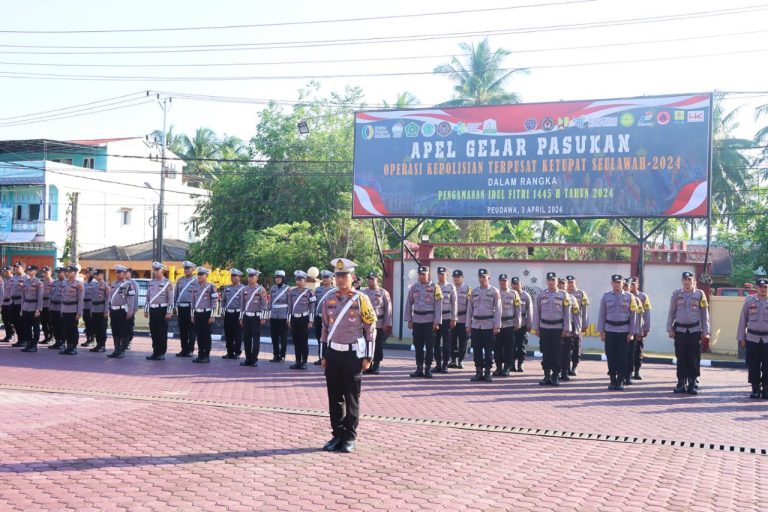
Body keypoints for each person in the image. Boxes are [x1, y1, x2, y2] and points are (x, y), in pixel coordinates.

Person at [319, 257, 376, 454]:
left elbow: (370, 330)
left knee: (351, 397)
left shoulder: (362, 299)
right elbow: (325, 329)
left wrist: (368, 357)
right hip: (333, 354)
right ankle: (338, 434)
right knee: (334, 397)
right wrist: (323, 355)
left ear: (352, 277)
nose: (340, 279)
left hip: (353, 356)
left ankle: (350, 436)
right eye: (337, 275)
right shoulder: (329, 299)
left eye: (344, 275)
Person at [666, 271, 710, 395]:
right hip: (680, 331)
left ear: (694, 281)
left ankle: (692, 383)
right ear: (682, 281)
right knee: (681, 357)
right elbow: (671, 312)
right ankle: (681, 383)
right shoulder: (676, 294)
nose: (687, 282)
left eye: (689, 280)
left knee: (693, 357)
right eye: (685, 280)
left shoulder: (700, 294)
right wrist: (670, 328)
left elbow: (704, 314)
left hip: (695, 331)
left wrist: (706, 331)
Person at [597, 274, 638, 390]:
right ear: (611, 284)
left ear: (622, 284)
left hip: (624, 331)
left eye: (619, 282)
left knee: (622, 356)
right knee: (611, 355)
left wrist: (632, 332)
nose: (617, 284)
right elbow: (602, 315)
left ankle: (620, 380)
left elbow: (633, 316)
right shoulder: (606, 297)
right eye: (615, 282)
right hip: (610, 330)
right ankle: (612, 380)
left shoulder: (630, 297)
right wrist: (601, 332)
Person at [532, 272, 571, 386]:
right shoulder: (541, 295)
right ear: (546, 281)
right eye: (549, 280)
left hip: (557, 329)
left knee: (557, 353)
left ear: (556, 281)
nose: (551, 282)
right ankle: (546, 375)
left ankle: (555, 376)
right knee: (546, 352)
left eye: (553, 280)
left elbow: (567, 313)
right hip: (544, 328)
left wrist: (566, 328)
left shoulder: (563, 295)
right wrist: (536, 328)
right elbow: (537, 312)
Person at [404, 266, 442, 378]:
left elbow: (439, 306)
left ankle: (428, 369)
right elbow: (409, 303)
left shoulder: (435, 287)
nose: (421, 276)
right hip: (417, 321)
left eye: (423, 274)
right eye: (420, 274)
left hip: (429, 321)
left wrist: (436, 322)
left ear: (428, 275)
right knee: (418, 345)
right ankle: (419, 368)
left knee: (429, 346)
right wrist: (409, 319)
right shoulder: (414, 287)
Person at [466, 268, 502, 382]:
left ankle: (487, 372)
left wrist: (497, 326)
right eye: (480, 277)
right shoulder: (474, 291)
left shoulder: (494, 291)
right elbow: (469, 309)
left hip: (488, 325)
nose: (482, 279)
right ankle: (478, 372)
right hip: (476, 325)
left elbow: (498, 310)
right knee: (476, 349)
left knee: (488, 350)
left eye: (484, 277)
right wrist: (468, 324)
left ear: (489, 278)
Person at [737, 277, 768, 399]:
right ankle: (755, 389)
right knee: (753, 365)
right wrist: (741, 338)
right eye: (760, 287)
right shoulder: (749, 301)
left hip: (767, 339)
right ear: (756, 288)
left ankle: (766, 389)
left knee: (767, 366)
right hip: (752, 338)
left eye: (765, 287)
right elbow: (742, 320)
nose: (763, 289)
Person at [362, 271, 392, 375]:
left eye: (372, 279)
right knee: (366, 344)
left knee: (378, 345)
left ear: (377, 280)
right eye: (369, 279)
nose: (370, 281)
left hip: (378, 322)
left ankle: (376, 365)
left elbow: (388, 309)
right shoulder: (363, 293)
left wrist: (387, 323)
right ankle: (368, 364)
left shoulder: (383, 292)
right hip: (365, 323)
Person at [190, 267, 220, 364]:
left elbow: (214, 302)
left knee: (206, 335)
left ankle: (206, 355)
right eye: (198, 274)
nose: (199, 276)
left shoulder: (211, 286)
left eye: (201, 274)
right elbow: (193, 302)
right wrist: (192, 315)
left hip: (207, 314)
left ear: (206, 276)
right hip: (197, 313)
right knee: (199, 335)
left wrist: (212, 315)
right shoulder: (195, 286)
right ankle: (200, 355)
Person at [145, 262, 174, 361]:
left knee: (162, 332)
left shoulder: (167, 283)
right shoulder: (151, 282)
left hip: (162, 309)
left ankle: (161, 353)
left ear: (162, 271)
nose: (155, 272)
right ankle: (155, 352)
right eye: (154, 270)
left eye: (157, 270)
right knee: (154, 331)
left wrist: (169, 312)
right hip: (153, 309)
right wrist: (146, 310)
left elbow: (170, 299)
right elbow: (148, 297)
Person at [239, 269, 268, 367]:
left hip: (256, 318)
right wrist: (241, 318)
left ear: (257, 278)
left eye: (252, 276)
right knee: (246, 339)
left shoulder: (261, 289)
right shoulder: (244, 289)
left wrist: (263, 318)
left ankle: (254, 359)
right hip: (247, 317)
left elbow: (264, 305)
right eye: (249, 276)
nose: (250, 278)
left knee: (256, 339)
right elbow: (242, 305)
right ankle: (248, 359)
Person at [288, 270, 315, 369]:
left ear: (305, 280)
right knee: (296, 341)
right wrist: (289, 319)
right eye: (297, 279)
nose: (299, 281)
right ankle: (297, 361)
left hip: (304, 319)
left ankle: (304, 362)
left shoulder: (309, 292)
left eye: (301, 279)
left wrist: (311, 321)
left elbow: (312, 308)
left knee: (303, 341)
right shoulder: (292, 292)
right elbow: (290, 307)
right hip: (295, 318)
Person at [494, 274, 521, 377]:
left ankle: (507, 368)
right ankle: (498, 367)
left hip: (509, 324)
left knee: (509, 348)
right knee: (497, 347)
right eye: (501, 281)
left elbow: (518, 309)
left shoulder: (514, 293)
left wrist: (517, 323)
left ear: (508, 282)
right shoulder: (495, 293)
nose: (502, 283)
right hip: (498, 324)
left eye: (504, 281)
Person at [107, 265, 135, 359]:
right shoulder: (114, 283)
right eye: (116, 272)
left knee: (123, 331)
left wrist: (130, 312)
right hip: (114, 310)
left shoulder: (128, 284)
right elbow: (110, 297)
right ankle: (116, 349)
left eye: (119, 272)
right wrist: (109, 309)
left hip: (122, 310)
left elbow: (131, 300)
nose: (117, 274)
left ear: (124, 273)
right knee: (115, 330)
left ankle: (122, 351)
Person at [557, 277, 581, 382]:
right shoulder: (551, 296)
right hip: (555, 327)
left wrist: (577, 329)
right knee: (556, 351)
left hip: (568, 328)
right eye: (560, 284)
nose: (561, 286)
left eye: (563, 284)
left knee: (566, 352)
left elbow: (576, 315)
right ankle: (556, 371)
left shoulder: (572, 298)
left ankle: (564, 372)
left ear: (566, 286)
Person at [433, 267, 457, 373]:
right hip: (436, 319)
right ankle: (438, 364)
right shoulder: (433, 287)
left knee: (447, 342)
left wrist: (454, 318)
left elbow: (454, 303)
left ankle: (445, 365)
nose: (441, 276)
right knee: (435, 342)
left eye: (443, 274)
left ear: (446, 275)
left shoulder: (451, 287)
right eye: (439, 274)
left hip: (447, 318)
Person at [565, 275, 589, 376]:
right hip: (566, 324)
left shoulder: (581, 294)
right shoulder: (563, 293)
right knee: (566, 347)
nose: (570, 285)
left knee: (576, 346)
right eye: (568, 283)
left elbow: (585, 310)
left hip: (577, 324)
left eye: (572, 283)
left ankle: (574, 367)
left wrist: (585, 324)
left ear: (576, 283)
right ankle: (566, 367)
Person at [173, 261, 198, 357]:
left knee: (191, 330)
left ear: (193, 269)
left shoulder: (196, 281)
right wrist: (174, 306)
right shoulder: (180, 280)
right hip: (181, 307)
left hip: (191, 307)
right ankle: (183, 349)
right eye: (185, 268)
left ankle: (190, 350)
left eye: (188, 268)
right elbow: (176, 294)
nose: (186, 270)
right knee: (182, 330)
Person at [312, 270, 337, 365]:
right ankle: (321, 357)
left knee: (330, 338)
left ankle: (329, 358)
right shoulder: (318, 290)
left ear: (331, 279)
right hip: (319, 317)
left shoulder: (335, 290)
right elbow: (314, 303)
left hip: (330, 318)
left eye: (327, 277)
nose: (325, 279)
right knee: (320, 338)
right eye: (324, 277)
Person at [59, 265, 84, 355]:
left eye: (70, 272)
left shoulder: (78, 284)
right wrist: (62, 309)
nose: (68, 273)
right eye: (67, 272)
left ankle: (73, 347)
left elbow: (80, 299)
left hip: (73, 309)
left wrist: (79, 312)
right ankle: (68, 346)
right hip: (65, 309)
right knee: (66, 329)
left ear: (75, 273)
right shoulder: (64, 283)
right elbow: (63, 298)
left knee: (73, 329)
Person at [220, 269, 245, 359]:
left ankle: (237, 352)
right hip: (228, 314)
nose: (233, 278)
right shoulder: (227, 288)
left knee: (238, 334)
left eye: (235, 276)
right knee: (228, 334)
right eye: (232, 276)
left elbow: (245, 303)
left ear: (239, 277)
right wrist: (222, 313)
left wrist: (242, 316)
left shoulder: (243, 288)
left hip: (238, 314)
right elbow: (223, 301)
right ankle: (229, 352)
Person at [630, 279, 651, 380]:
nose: (632, 286)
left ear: (637, 285)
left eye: (634, 284)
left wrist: (646, 328)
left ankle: (637, 371)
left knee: (638, 351)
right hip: (628, 328)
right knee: (628, 351)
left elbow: (647, 313)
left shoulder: (643, 297)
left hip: (639, 328)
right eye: (630, 284)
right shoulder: (626, 296)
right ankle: (628, 371)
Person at [19, 265, 44, 353]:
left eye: (31, 270)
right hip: (26, 306)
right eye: (28, 270)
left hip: (34, 307)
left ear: (35, 271)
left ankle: (34, 344)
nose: (29, 271)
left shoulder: (39, 282)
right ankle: (29, 343)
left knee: (35, 327)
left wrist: (38, 309)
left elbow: (40, 297)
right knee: (26, 327)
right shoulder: (25, 282)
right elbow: (23, 296)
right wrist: (22, 309)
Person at [449, 269, 470, 369]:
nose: (456, 279)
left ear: (462, 278)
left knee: (463, 340)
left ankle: (461, 360)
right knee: (452, 340)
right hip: (452, 318)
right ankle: (453, 359)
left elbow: (470, 305)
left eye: (458, 277)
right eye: (454, 277)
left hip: (463, 318)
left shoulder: (467, 289)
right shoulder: (450, 288)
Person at [511, 277, 532, 372]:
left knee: (521, 345)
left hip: (522, 323)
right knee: (511, 345)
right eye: (514, 284)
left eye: (517, 284)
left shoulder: (526, 295)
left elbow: (530, 310)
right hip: (510, 323)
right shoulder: (509, 294)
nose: (515, 286)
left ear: (521, 284)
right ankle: (511, 364)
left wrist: (529, 323)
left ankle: (520, 364)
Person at [269, 270, 290, 362]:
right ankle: (275, 355)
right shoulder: (272, 288)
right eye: (276, 277)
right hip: (274, 315)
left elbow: (290, 304)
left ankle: (282, 355)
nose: (277, 279)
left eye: (279, 277)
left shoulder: (288, 289)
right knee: (274, 336)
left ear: (283, 278)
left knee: (283, 337)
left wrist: (289, 318)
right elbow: (270, 302)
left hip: (283, 316)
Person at [88, 269, 109, 353]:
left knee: (102, 328)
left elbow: (107, 299)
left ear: (102, 275)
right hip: (94, 309)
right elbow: (92, 299)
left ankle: (102, 345)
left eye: (97, 274)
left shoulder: (105, 285)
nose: (95, 276)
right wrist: (91, 310)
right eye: (95, 275)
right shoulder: (94, 285)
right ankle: (98, 344)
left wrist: (106, 310)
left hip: (101, 309)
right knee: (96, 328)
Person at [9, 262, 29, 347]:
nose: (16, 269)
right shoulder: (13, 278)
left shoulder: (26, 278)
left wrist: (23, 286)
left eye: (18, 267)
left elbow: (29, 291)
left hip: (21, 302)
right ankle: (20, 339)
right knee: (15, 322)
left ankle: (25, 340)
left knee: (22, 322)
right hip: (13, 302)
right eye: (15, 267)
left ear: (23, 268)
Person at [47, 267, 66, 350]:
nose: (58, 274)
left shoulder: (67, 283)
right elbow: (51, 294)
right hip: (53, 307)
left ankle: (63, 342)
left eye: (60, 272)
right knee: (55, 325)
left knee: (62, 326)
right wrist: (49, 305)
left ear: (65, 273)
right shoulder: (54, 283)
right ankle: (57, 341)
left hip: (62, 307)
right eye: (57, 272)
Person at [124, 268, 139, 350]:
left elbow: (135, 297)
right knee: (123, 326)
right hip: (122, 309)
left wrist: (134, 309)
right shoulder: (122, 282)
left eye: (127, 272)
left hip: (130, 309)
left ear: (130, 274)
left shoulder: (133, 283)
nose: (125, 274)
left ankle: (129, 341)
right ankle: (123, 342)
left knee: (129, 326)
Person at [38, 267, 54, 345]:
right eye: (43, 273)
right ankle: (46, 337)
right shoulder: (41, 282)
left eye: (46, 272)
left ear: (50, 273)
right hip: (42, 304)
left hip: (49, 304)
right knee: (43, 322)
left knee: (50, 322)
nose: (44, 274)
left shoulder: (54, 282)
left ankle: (51, 337)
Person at [81, 267, 95, 347]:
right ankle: (88, 339)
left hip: (91, 306)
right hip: (85, 306)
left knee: (91, 323)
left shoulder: (95, 283)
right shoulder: (85, 283)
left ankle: (92, 340)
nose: (88, 274)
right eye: (87, 272)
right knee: (86, 323)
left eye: (89, 272)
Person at [1, 266, 14, 343]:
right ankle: (8, 335)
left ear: (11, 271)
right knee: (5, 320)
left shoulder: (14, 280)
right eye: (4, 272)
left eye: (7, 271)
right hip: (4, 303)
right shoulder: (4, 280)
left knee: (10, 320)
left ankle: (11, 335)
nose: (5, 273)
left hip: (10, 302)